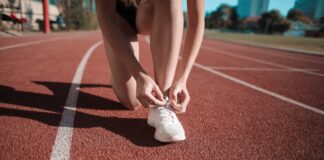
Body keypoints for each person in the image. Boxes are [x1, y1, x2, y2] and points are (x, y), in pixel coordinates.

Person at [95, 0, 204, 142]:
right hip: (119, 16)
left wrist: (183, 78)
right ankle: (117, 76)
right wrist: (139, 75)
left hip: (153, 12)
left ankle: (163, 101)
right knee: (132, 102)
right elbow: (105, 15)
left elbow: (196, 21)